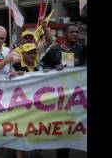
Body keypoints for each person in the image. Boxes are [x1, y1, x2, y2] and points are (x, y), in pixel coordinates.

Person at [40, 24, 87, 158]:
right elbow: (42, 67)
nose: (76, 34)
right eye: (73, 32)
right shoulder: (54, 50)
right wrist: (53, 68)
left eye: (77, 32)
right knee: (63, 130)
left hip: (78, 99)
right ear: (64, 35)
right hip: (60, 100)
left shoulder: (82, 49)